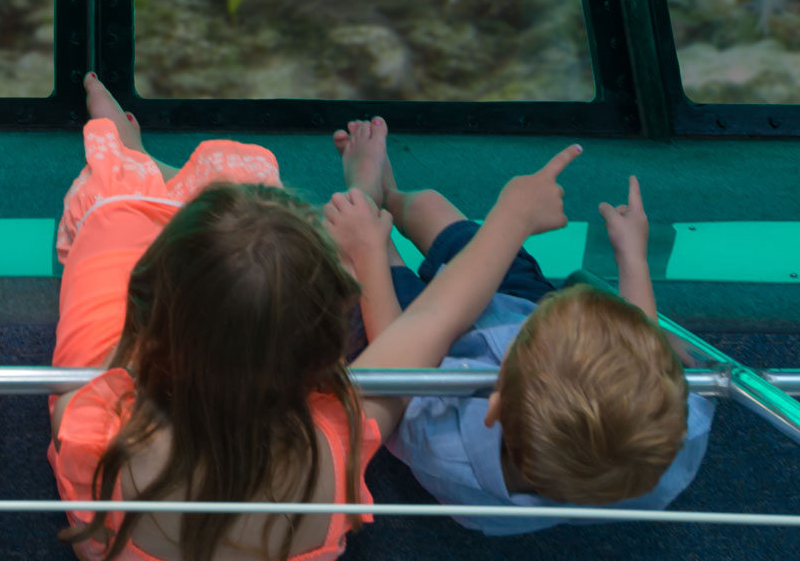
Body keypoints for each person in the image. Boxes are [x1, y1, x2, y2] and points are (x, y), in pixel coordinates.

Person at [49, 74, 579, 561]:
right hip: (194, 345)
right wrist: (511, 217)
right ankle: (136, 161)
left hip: (123, 362)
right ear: (325, 347)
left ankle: (126, 153)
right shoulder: (335, 445)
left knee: (118, 209)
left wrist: (513, 219)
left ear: (149, 325)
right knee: (262, 243)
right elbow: (434, 322)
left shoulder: (92, 428)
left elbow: (436, 318)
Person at [328, 116, 713, 535]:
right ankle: (392, 196)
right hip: (515, 305)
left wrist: (367, 249)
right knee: (427, 207)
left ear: (495, 403)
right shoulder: (673, 434)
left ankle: (366, 196)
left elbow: (396, 368)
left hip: (428, 356)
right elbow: (643, 353)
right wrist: (632, 257)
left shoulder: (448, 446)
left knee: (364, 248)